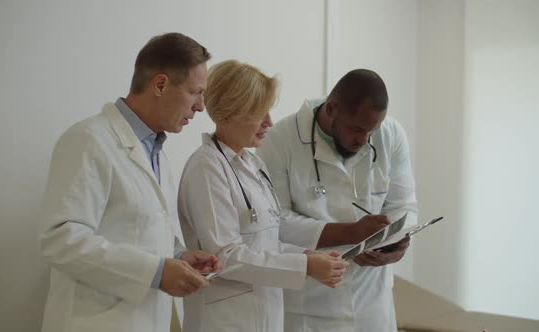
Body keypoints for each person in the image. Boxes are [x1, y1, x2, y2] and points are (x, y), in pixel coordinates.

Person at [39, 33, 220, 332]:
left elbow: (138, 231)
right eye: (195, 92)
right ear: (160, 84)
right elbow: (60, 240)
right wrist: (157, 272)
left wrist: (178, 256)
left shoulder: (157, 152)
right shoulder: (88, 140)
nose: (201, 106)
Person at [177, 60, 349, 332]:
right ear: (227, 113)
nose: (269, 122)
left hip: (264, 315)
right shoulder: (206, 167)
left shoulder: (253, 165)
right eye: (259, 113)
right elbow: (227, 256)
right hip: (224, 321)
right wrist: (304, 266)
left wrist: (307, 255)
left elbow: (266, 242)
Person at [256, 69, 418, 332]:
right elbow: (276, 223)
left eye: (372, 130)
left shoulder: (391, 134)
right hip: (310, 307)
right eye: (356, 129)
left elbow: (405, 207)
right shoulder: (279, 141)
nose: (364, 140)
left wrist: (396, 246)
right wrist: (351, 232)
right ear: (331, 109)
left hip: (374, 304)